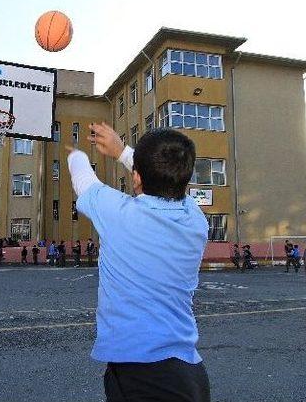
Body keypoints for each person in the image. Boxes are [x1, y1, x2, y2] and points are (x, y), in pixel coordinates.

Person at [68, 122, 210, 401]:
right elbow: (161, 173)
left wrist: (75, 153)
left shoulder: (118, 215)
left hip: (142, 377)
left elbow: (83, 180)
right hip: (188, 370)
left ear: (136, 178)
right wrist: (122, 151)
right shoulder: (195, 219)